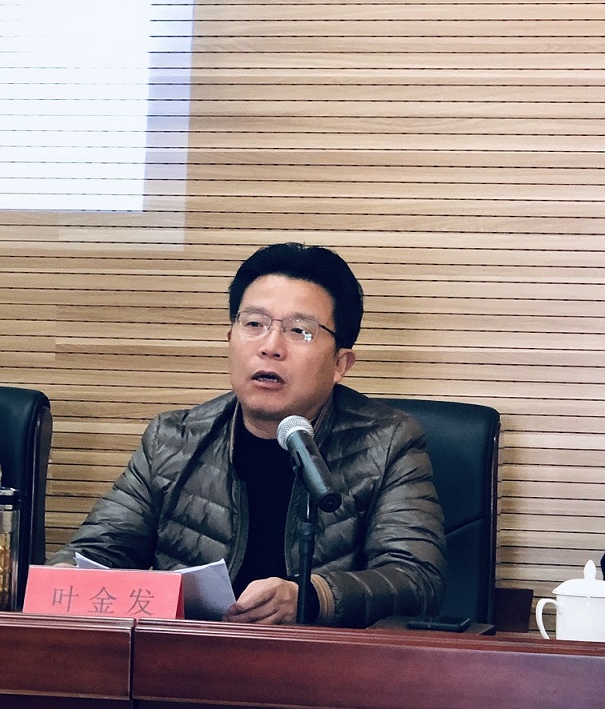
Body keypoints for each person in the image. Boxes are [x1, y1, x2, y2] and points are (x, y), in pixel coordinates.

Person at [48, 242, 447, 628]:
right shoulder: (173, 440)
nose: (270, 346)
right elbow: (97, 551)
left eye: (300, 330)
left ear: (340, 364)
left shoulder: (389, 442)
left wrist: (311, 597)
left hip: (323, 665)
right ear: (230, 339)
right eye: (254, 324)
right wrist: (65, 575)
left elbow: (416, 578)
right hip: (189, 658)